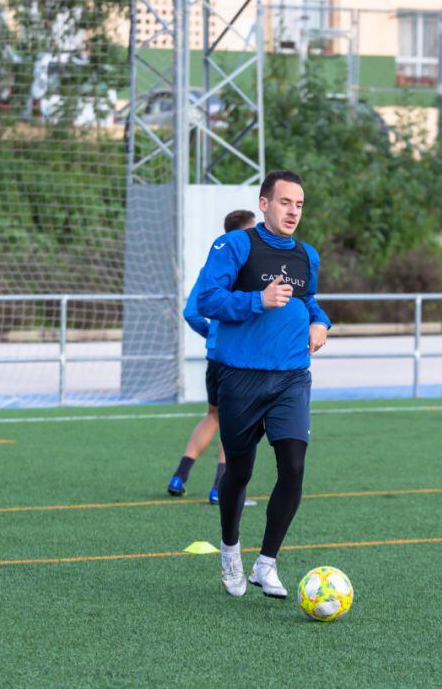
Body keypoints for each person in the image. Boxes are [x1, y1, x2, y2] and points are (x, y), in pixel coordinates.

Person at [195, 169, 330, 598]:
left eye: (300, 204)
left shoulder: (307, 255)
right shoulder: (234, 245)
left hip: (291, 376)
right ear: (264, 203)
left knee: (293, 468)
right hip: (240, 378)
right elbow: (207, 300)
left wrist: (321, 323)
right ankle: (231, 549)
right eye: (286, 202)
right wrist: (258, 300)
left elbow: (309, 300)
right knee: (239, 471)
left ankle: (266, 564)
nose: (294, 211)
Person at [168, 209, 258, 504]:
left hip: (215, 356)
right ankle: (221, 487)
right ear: (243, 233)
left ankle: (179, 476)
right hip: (237, 358)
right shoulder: (246, 265)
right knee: (235, 422)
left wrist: (211, 336)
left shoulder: (213, 266)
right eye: (253, 230)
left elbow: (191, 312)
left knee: (213, 416)